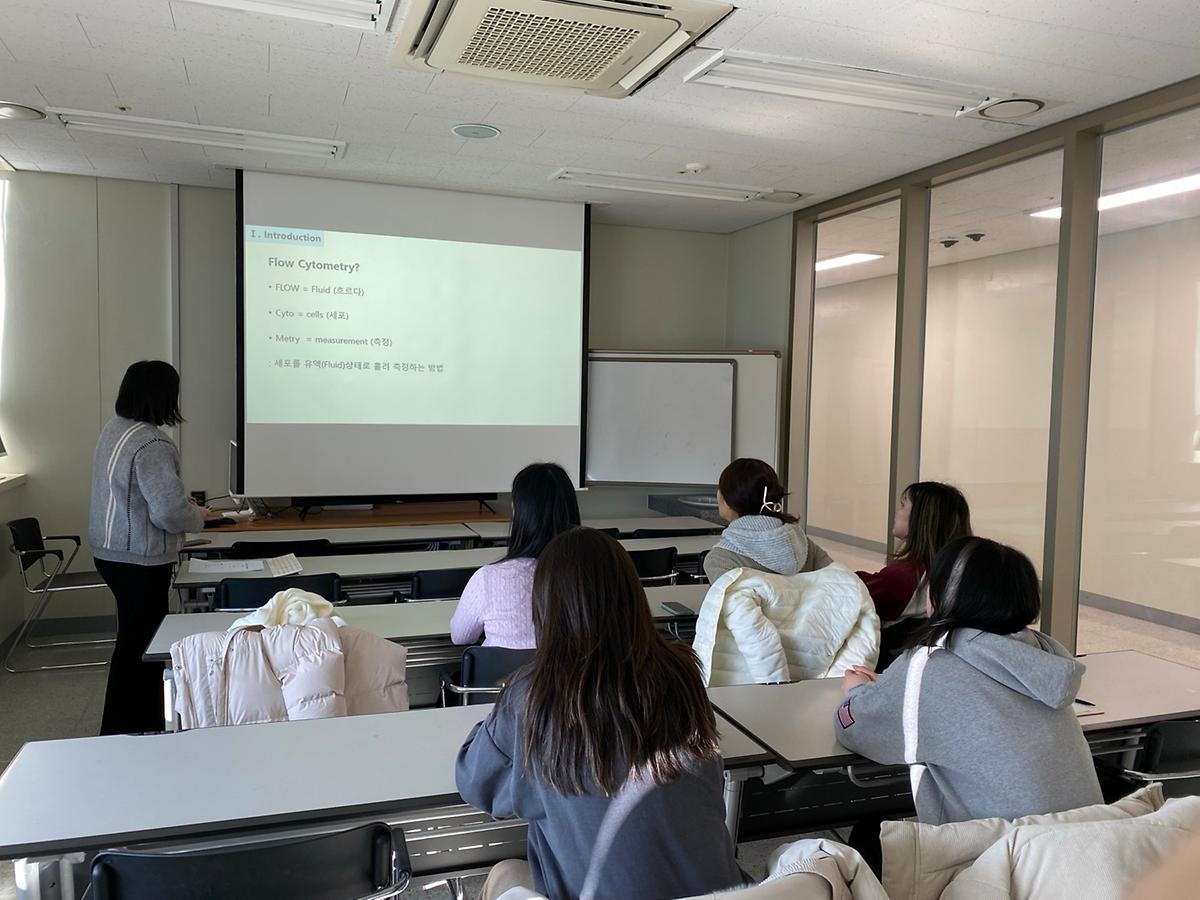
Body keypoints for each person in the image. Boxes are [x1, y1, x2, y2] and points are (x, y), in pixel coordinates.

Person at [456, 528, 746, 900]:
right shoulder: (682, 673)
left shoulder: (532, 695)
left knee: (506, 872)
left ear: (544, 607)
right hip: (722, 895)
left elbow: (477, 784)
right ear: (632, 594)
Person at [836, 536, 1103, 827]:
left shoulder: (932, 662)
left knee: (869, 831)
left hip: (1002, 849)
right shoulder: (1044, 652)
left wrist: (857, 690)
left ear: (942, 597)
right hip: (1088, 840)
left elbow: (855, 730)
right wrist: (896, 687)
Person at [89, 360, 217, 735]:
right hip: (140, 560)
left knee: (132, 640)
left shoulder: (115, 429)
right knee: (142, 646)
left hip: (111, 552)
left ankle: (130, 726)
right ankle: (129, 728)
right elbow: (168, 512)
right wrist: (198, 517)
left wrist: (182, 508)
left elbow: (137, 495)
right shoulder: (153, 443)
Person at [450, 462, 580, 648]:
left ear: (521, 513)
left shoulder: (488, 579)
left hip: (501, 669)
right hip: (574, 668)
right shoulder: (593, 575)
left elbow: (460, 636)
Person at [855, 481, 972, 624]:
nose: (897, 511)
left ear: (920, 518)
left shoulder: (905, 575)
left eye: (903, 505)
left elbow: (851, 595)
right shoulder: (954, 571)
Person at [703, 457, 832, 582]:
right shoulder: (803, 545)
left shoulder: (720, 560)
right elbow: (836, 581)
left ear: (730, 499)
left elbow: (731, 597)